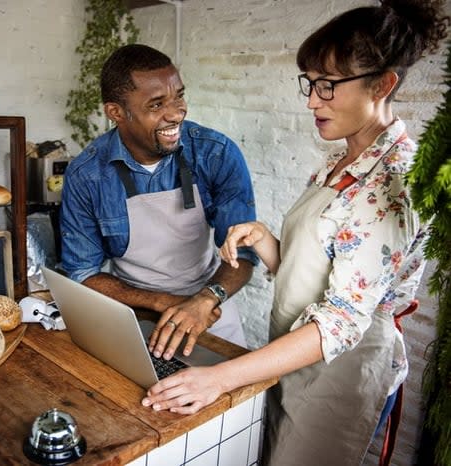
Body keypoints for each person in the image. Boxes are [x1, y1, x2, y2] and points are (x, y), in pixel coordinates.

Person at [141, 1, 449, 464]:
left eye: (327, 85)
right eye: (310, 83)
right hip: (294, 355)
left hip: (342, 372)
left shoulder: (391, 183)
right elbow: (315, 277)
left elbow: (341, 320)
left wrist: (222, 378)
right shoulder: (338, 161)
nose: (311, 101)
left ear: (382, 85)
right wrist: (264, 240)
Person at [59, 44, 259, 350]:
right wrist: (163, 302)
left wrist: (205, 299)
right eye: (156, 105)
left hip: (210, 307)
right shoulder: (87, 174)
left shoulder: (215, 153)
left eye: (178, 95)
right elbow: (83, 272)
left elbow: (243, 254)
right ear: (116, 113)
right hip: (132, 311)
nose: (176, 113)